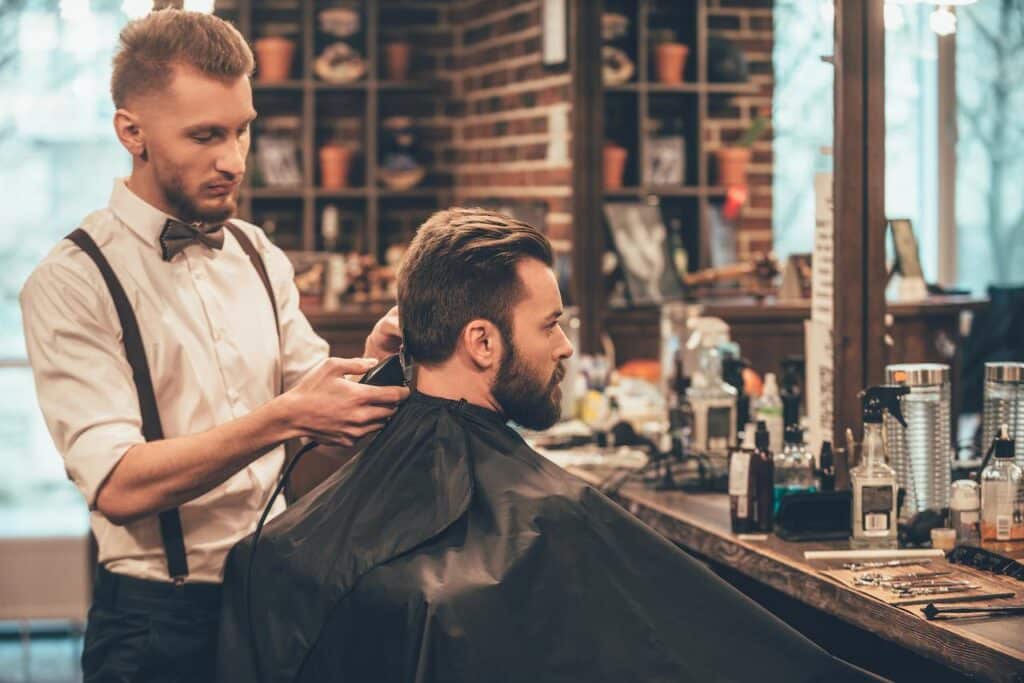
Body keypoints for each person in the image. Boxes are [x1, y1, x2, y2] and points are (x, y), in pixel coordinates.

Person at [217, 208, 879, 682]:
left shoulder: (277, 548)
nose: (565, 346)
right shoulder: (556, 515)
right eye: (552, 325)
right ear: (481, 341)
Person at [19, 9, 408, 683]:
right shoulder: (72, 281)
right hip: (155, 626)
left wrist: (375, 369)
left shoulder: (259, 253)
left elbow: (318, 446)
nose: (232, 160)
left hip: (276, 598)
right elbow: (118, 483)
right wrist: (283, 415)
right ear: (131, 133)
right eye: (204, 136)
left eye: (241, 131)